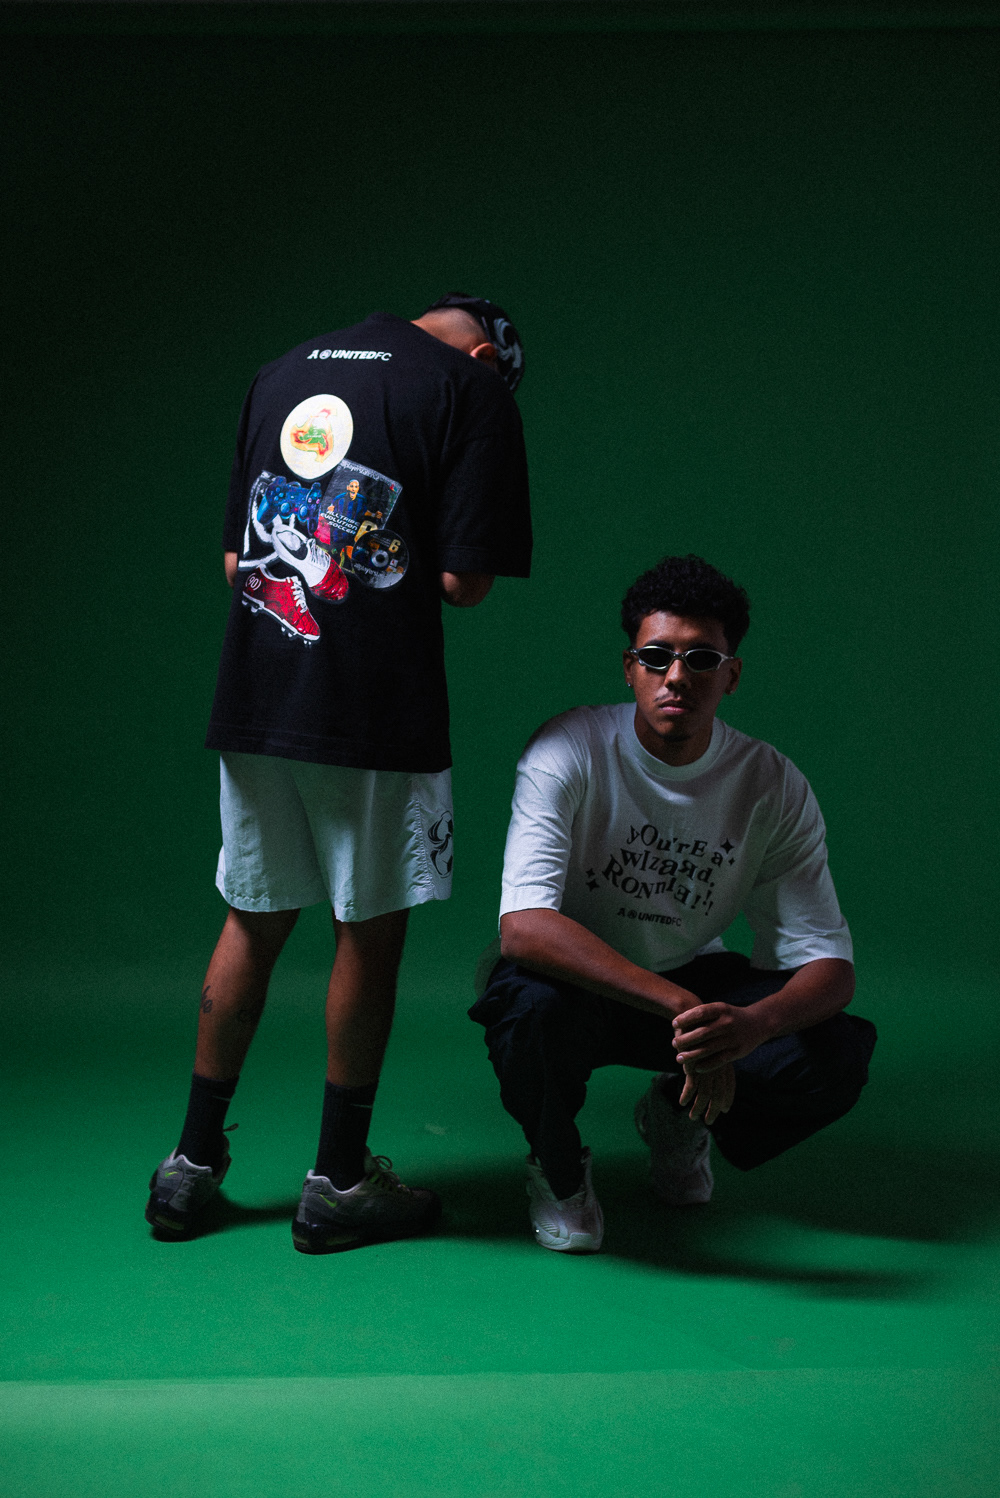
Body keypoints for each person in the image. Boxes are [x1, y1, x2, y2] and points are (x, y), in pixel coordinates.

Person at [147, 293, 531, 1253]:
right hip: (372, 706)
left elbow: (234, 558)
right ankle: (339, 1180)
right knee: (370, 931)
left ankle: (188, 1166)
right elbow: (464, 582)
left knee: (252, 917)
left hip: (260, 684)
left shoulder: (280, 372)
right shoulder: (471, 390)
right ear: (487, 356)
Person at [470, 554, 875, 1253]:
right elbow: (525, 930)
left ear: (731, 674)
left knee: (833, 1051)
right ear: (629, 668)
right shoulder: (568, 749)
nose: (677, 676)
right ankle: (558, 1171)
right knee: (524, 1011)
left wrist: (748, 1027)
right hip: (575, 982)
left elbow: (831, 968)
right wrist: (684, 1010)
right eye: (656, 657)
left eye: (701, 658)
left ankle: (676, 1113)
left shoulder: (771, 783)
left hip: (689, 972)